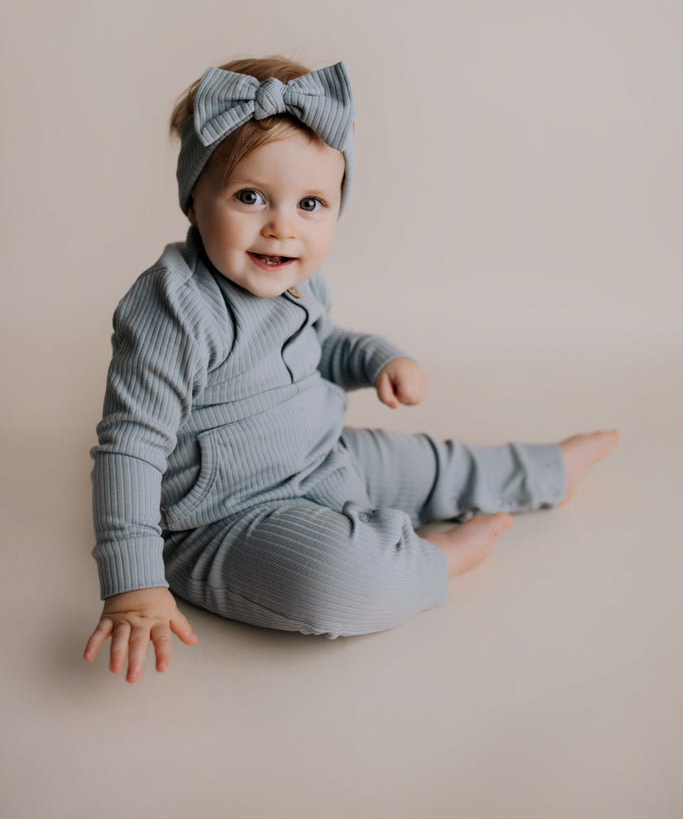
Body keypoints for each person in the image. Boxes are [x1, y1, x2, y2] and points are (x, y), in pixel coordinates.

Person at [83, 55, 619, 683]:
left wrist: (378, 359)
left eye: (310, 203)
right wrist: (133, 583)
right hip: (221, 519)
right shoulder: (174, 307)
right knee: (336, 582)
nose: (282, 226)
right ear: (194, 199)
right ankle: (431, 562)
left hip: (322, 456)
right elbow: (130, 448)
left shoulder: (297, 284)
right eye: (250, 196)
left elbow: (325, 346)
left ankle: (546, 471)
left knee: (431, 463)